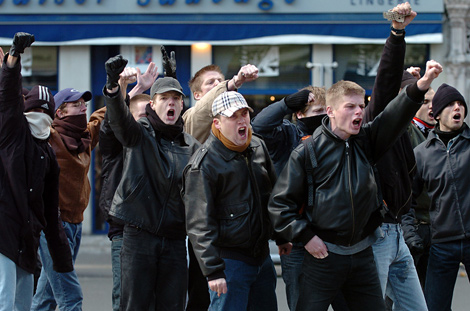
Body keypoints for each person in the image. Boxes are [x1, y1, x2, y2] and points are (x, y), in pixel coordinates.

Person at [268, 59, 442, 311]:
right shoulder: (306, 151)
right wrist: (306, 237)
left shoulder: (367, 140)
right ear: (330, 111)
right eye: (350, 107)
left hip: (363, 253)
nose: (358, 112)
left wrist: (422, 85)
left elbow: (394, 114)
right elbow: (279, 206)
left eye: (361, 106)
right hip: (323, 255)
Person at [104, 54, 200, 310]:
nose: (171, 103)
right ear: (152, 105)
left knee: (172, 305)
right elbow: (119, 122)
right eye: (164, 98)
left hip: (176, 239)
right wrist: (114, 88)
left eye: (176, 98)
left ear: (182, 105)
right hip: (139, 234)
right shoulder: (141, 132)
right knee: (134, 305)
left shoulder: (193, 146)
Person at [358, 3, 428, 310]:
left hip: (397, 230)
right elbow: (386, 81)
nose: (416, 103)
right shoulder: (376, 125)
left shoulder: (405, 134)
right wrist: (397, 33)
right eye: (411, 97)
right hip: (378, 233)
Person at [183, 91, 278, 311]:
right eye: (233, 116)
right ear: (217, 123)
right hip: (229, 263)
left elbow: (272, 197)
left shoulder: (257, 146)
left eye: (244, 113)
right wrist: (213, 270)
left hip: (261, 258)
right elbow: (199, 224)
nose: (242, 120)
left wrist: (281, 237)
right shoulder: (203, 164)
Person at [0, 32, 73, 311]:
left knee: (22, 306)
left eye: (46, 112)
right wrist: (14, 58)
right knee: (4, 303)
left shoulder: (49, 157)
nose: (39, 117)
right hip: (4, 231)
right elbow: (7, 97)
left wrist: (62, 260)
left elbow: (52, 211)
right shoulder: (12, 134)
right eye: (34, 111)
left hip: (27, 239)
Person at [251, 86, 329, 310]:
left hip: (333, 237)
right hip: (297, 239)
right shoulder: (288, 134)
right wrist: (287, 103)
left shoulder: (336, 136)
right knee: (300, 302)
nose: (322, 117)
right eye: (316, 111)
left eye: (326, 111)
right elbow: (259, 126)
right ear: (300, 114)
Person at [31, 81, 106, 310]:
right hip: (54, 226)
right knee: (70, 297)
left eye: (84, 103)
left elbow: (102, 117)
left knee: (46, 297)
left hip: (75, 223)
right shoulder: (48, 136)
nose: (83, 107)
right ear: (60, 112)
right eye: (75, 105)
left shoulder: (84, 137)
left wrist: (122, 88)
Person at [99, 62, 158, 311]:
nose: (146, 122)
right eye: (140, 116)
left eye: (149, 116)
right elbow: (112, 121)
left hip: (159, 231)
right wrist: (122, 87)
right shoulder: (116, 142)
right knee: (125, 299)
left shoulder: (161, 143)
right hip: (125, 231)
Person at [412, 83, 470, 311]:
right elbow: (408, 201)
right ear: (436, 114)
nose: (457, 108)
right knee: (435, 306)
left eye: (460, 104)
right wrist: (410, 233)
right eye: (450, 104)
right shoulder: (422, 153)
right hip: (442, 243)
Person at [400, 67, 436, 289]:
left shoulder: (442, 134)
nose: (432, 106)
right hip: (411, 225)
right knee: (403, 293)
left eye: (435, 101)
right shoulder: (404, 130)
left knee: (433, 293)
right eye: (424, 102)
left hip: (437, 226)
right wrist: (408, 83)